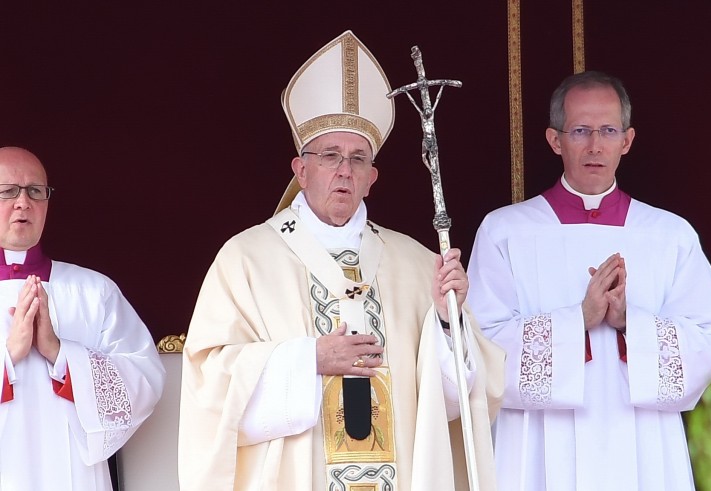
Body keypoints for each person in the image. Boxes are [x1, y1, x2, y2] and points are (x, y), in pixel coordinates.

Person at [178, 30, 504, 491]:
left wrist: (448, 322)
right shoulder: (245, 259)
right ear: (300, 168)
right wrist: (307, 359)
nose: (344, 170)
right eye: (330, 156)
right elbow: (209, 388)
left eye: (357, 159)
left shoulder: (416, 263)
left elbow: (455, 406)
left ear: (373, 177)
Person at [466, 71, 711, 491]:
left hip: (642, 444)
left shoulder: (669, 235)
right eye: (580, 130)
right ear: (555, 140)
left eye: (608, 130)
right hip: (538, 446)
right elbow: (479, 347)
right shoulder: (505, 232)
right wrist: (578, 320)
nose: (595, 145)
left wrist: (632, 323)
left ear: (626, 140)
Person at [0, 146, 165, 490]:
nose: (22, 202)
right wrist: (9, 357)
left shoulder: (94, 291)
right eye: (8, 191)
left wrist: (61, 353)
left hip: (71, 473)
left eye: (35, 191)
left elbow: (145, 380)